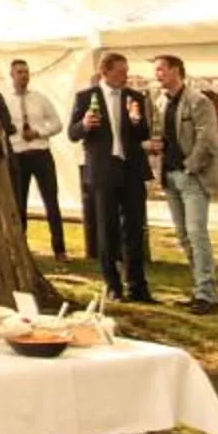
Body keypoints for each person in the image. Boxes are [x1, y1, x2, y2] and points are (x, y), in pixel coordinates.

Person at [68, 50, 154, 302]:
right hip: (104, 170)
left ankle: (137, 285)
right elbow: (72, 134)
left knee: (135, 228)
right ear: (105, 72)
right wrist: (84, 124)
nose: (125, 76)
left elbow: (143, 134)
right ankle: (113, 284)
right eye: (120, 71)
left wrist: (137, 121)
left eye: (126, 71)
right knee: (107, 229)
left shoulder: (135, 97)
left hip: (131, 169)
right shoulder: (86, 98)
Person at [152, 54, 218, 315]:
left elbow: (206, 138)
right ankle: (199, 289)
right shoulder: (160, 102)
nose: (157, 74)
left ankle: (208, 294)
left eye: (161, 70)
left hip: (192, 176)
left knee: (197, 233)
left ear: (176, 71)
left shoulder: (198, 101)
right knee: (184, 236)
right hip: (169, 176)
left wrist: (189, 166)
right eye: (156, 70)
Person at [0, 60, 66, 261]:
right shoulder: (6, 101)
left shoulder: (40, 98)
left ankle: (59, 248)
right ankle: (22, 247)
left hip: (40, 152)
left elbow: (57, 123)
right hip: (18, 154)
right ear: (12, 75)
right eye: (19, 72)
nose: (23, 76)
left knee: (51, 200)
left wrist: (39, 132)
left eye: (26, 72)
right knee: (20, 202)